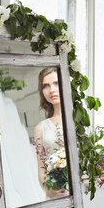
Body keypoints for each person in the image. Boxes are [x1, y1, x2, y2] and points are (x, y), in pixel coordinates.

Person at [34, 67, 69, 199]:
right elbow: (41, 167)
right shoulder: (40, 128)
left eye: (56, 83)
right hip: (55, 193)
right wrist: (48, 190)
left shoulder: (77, 121)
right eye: (46, 86)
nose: (52, 90)